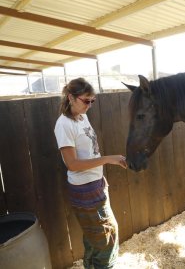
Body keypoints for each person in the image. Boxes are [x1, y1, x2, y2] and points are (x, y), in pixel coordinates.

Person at [54, 77, 126, 269]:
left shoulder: (82, 116)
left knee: (93, 237)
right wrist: (108, 159)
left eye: (92, 101)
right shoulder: (64, 125)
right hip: (85, 190)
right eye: (86, 100)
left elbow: (89, 151)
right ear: (71, 97)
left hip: (96, 184)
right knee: (107, 239)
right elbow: (72, 164)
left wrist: (102, 172)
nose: (90, 105)